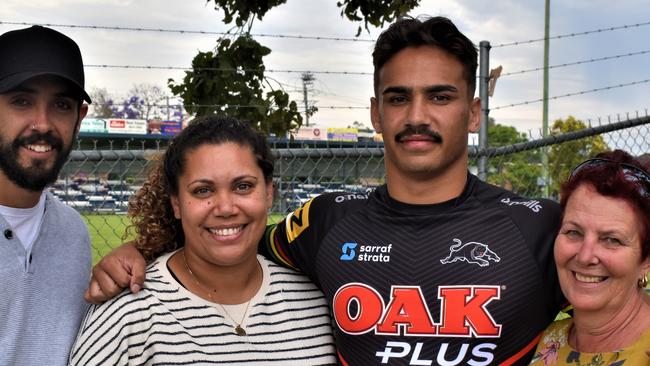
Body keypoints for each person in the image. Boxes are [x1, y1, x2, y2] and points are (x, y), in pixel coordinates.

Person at [88, 16, 563, 365]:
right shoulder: (325, 221)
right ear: (376, 113)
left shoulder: (539, 226)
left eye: (440, 96)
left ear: (474, 112)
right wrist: (140, 247)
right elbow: (227, 233)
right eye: (399, 98)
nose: (417, 116)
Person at [69, 116, 337, 365]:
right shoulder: (128, 316)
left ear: (268, 192)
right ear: (176, 203)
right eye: (203, 190)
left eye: (243, 186)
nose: (225, 207)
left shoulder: (318, 302)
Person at [0, 26, 92, 366]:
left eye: (61, 105)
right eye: (21, 101)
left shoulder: (74, 232)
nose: (43, 123)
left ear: (78, 119)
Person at [530, 150, 650, 365]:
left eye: (612, 239)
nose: (585, 256)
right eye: (574, 232)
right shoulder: (551, 340)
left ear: (646, 260)